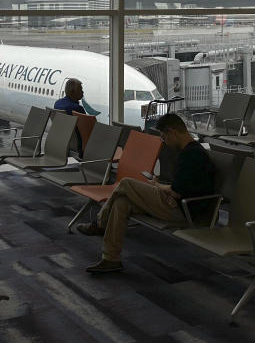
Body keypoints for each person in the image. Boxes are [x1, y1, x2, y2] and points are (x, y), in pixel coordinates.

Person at [78, 113, 215, 274]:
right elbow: (183, 186)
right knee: (122, 203)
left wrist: (157, 185)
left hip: (183, 210)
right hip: (175, 203)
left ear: (173, 132)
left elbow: (177, 192)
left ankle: (100, 223)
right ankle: (111, 259)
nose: (164, 141)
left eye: (163, 137)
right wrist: (162, 185)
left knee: (126, 184)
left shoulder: (191, 155)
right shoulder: (190, 152)